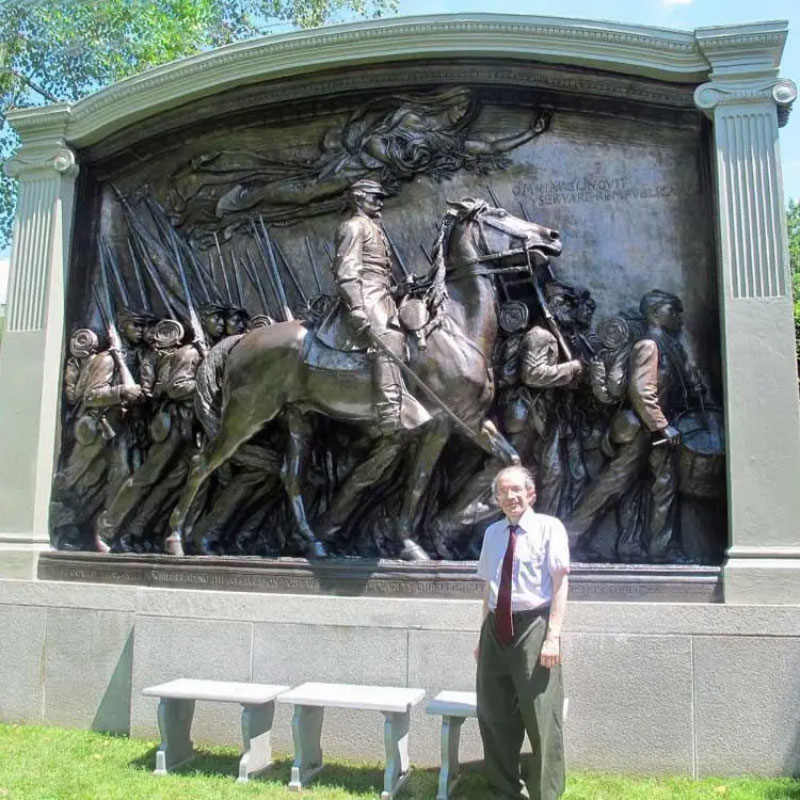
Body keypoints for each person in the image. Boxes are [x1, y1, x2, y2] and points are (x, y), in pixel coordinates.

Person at [567, 290, 703, 561]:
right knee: (613, 484)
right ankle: (569, 535)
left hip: (660, 430)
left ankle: (658, 548)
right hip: (645, 430)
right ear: (654, 313)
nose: (677, 316)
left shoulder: (670, 345)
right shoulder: (648, 346)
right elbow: (641, 391)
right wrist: (662, 426)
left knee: (661, 486)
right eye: (671, 310)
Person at [476, 465, 570, 800]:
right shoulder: (492, 534)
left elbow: (560, 586)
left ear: (530, 493)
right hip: (495, 630)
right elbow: (489, 589)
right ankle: (504, 790)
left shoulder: (549, 529)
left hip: (533, 628)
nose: (510, 496)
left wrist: (552, 637)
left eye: (517, 490)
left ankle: (546, 793)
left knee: (541, 717)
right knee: (493, 713)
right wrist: (480, 637)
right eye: (503, 491)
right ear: (497, 498)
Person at [317, 178, 430, 435]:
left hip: (382, 295)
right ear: (358, 198)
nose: (380, 202)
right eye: (374, 197)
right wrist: (356, 307)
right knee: (388, 339)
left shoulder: (373, 228)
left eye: (382, 198)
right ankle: (389, 414)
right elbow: (347, 272)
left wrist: (398, 289)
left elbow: (378, 273)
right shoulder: (354, 226)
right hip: (366, 297)